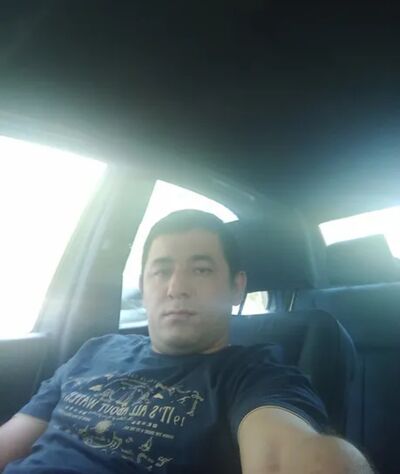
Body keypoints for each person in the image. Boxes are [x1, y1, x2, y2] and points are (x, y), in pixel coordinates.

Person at [0, 210, 373, 473]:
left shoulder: (254, 377)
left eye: (201, 269)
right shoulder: (94, 351)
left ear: (236, 287)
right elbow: (11, 441)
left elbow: (291, 454)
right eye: (161, 271)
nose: (177, 288)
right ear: (143, 286)